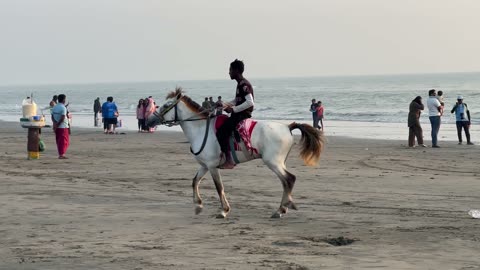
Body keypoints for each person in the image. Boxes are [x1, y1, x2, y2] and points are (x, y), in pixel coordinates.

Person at [217, 59, 254, 169]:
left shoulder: (244, 85)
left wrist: (234, 110)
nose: (229, 72)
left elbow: (250, 102)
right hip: (239, 113)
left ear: (236, 71)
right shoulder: (240, 84)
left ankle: (229, 160)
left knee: (222, 132)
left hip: (242, 115)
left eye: (230, 70)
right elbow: (237, 100)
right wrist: (224, 104)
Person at [51, 94, 70, 159]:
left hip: (58, 126)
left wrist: (55, 124)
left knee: (59, 140)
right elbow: (62, 117)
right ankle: (61, 154)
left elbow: (52, 117)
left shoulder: (55, 107)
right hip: (63, 126)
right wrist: (57, 124)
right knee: (63, 141)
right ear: (64, 100)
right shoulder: (63, 107)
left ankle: (61, 153)